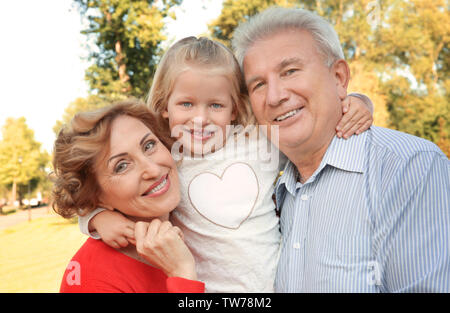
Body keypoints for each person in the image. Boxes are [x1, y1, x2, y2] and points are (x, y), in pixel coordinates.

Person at [79, 37, 374, 292]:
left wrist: (358, 101)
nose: (200, 118)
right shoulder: (167, 157)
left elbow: (314, 133)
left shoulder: (260, 143)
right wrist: (96, 219)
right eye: (186, 104)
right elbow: (99, 196)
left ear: (234, 108)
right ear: (164, 106)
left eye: (215, 105)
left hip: (285, 284)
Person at [232, 6, 450, 292]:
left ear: (338, 77)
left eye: (290, 71)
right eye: (259, 84)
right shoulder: (269, 189)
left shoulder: (408, 167)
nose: (274, 96)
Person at [52, 100, 205, 293]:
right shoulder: (93, 282)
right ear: (95, 197)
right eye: (121, 166)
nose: (153, 169)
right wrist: (182, 275)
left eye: (149, 145)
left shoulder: (195, 214)